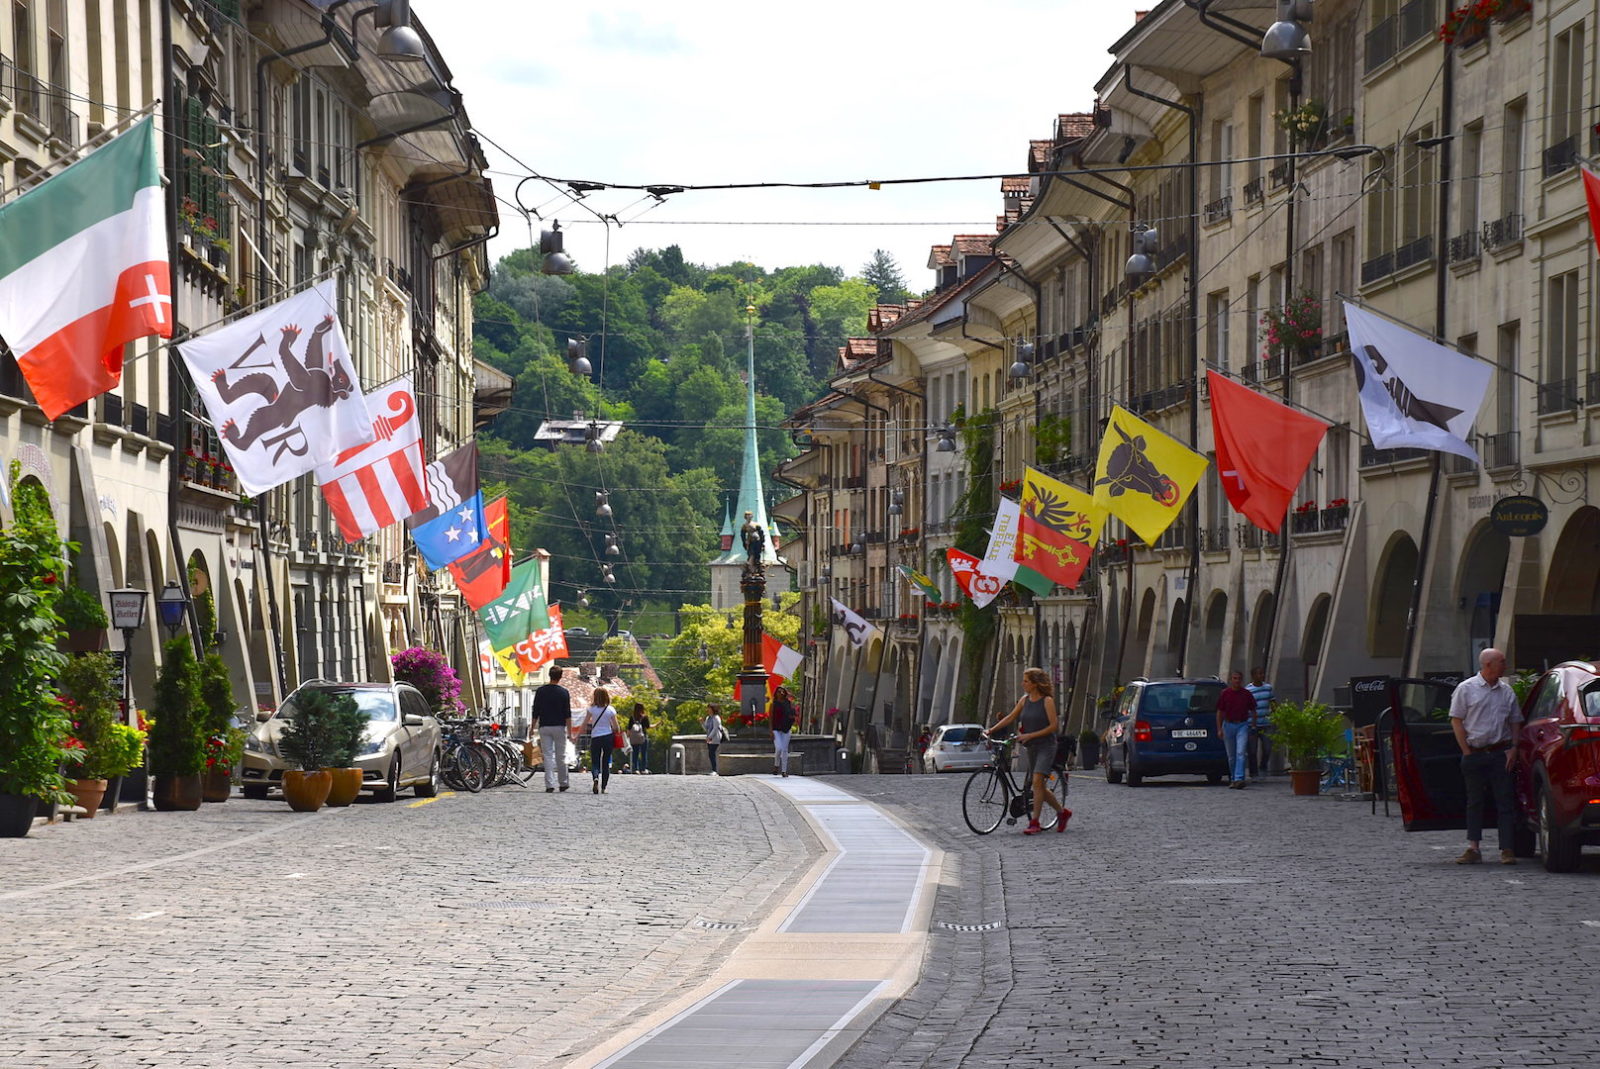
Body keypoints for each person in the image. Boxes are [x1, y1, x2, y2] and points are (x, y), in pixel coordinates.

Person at [1450, 647, 1523, 865]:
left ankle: (1507, 848)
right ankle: (1473, 847)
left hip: (1501, 753)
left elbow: (1515, 721)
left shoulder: (1506, 691)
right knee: (1475, 801)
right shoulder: (1466, 689)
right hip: (1475, 752)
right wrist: (1466, 751)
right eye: (1502, 661)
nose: (1505, 665)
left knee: (1505, 801)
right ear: (1488, 664)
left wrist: (1514, 747)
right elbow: (1456, 720)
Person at [987, 667, 1070, 835]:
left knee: (1037, 780)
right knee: (1038, 785)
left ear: (1034, 683)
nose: (1022, 684)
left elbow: (1053, 726)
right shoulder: (1024, 700)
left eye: (1025, 681)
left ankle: (1034, 822)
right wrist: (991, 730)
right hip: (1031, 747)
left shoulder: (1047, 701)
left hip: (1046, 746)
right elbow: (1010, 717)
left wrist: (1030, 735)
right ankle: (1062, 813)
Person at [532, 667, 572, 793]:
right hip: (559, 727)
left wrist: (532, 727)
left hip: (544, 726)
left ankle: (549, 784)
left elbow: (535, 711)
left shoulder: (541, 691)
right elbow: (567, 714)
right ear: (560, 677)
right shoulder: (564, 692)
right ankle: (563, 782)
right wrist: (570, 731)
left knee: (547, 755)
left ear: (549, 675)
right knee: (561, 755)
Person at [1216, 671, 1255, 789]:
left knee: (1241, 752)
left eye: (1239, 678)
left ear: (1241, 680)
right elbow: (1220, 712)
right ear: (1230, 680)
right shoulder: (1225, 693)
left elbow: (1253, 710)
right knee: (1231, 756)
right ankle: (1233, 778)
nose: (1237, 681)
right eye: (1234, 678)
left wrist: (1253, 724)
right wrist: (1219, 729)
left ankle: (1239, 778)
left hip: (1242, 725)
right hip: (1228, 725)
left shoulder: (1246, 694)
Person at [583, 687, 621, 795]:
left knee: (595, 761)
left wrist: (578, 734)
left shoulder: (591, 709)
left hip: (596, 737)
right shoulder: (610, 710)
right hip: (608, 737)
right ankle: (604, 787)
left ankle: (595, 778)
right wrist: (616, 731)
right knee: (605, 762)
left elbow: (585, 723)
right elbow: (616, 727)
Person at [1245, 666, 1276, 779]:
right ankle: (1253, 772)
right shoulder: (1248, 690)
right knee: (1252, 750)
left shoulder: (1268, 688)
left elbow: (1273, 703)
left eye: (1262, 673)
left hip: (1266, 723)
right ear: (1253, 676)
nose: (1262, 675)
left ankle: (1263, 767)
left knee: (1267, 748)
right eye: (1259, 673)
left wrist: (1276, 716)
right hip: (1251, 723)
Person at [771, 686, 798, 777]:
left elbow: (793, 714)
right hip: (776, 729)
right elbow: (771, 718)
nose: (781, 693)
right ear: (776, 694)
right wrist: (770, 730)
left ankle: (784, 771)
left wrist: (792, 717)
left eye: (782, 691)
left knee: (785, 749)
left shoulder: (788, 703)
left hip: (786, 728)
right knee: (779, 748)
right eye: (779, 692)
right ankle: (776, 765)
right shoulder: (774, 704)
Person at [627, 703, 651, 774]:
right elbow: (648, 727)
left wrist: (628, 737)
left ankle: (636, 769)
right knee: (644, 753)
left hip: (634, 738)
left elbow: (629, 728)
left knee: (635, 754)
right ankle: (643, 769)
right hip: (643, 737)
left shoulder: (632, 717)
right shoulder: (645, 717)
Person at [703, 703, 726, 775]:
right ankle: (714, 770)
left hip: (715, 738)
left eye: (709, 708)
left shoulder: (716, 718)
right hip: (709, 738)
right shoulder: (708, 718)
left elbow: (715, 729)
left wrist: (710, 737)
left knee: (712, 753)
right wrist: (702, 723)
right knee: (711, 754)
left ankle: (714, 770)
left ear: (713, 709)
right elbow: (706, 728)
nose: (708, 710)